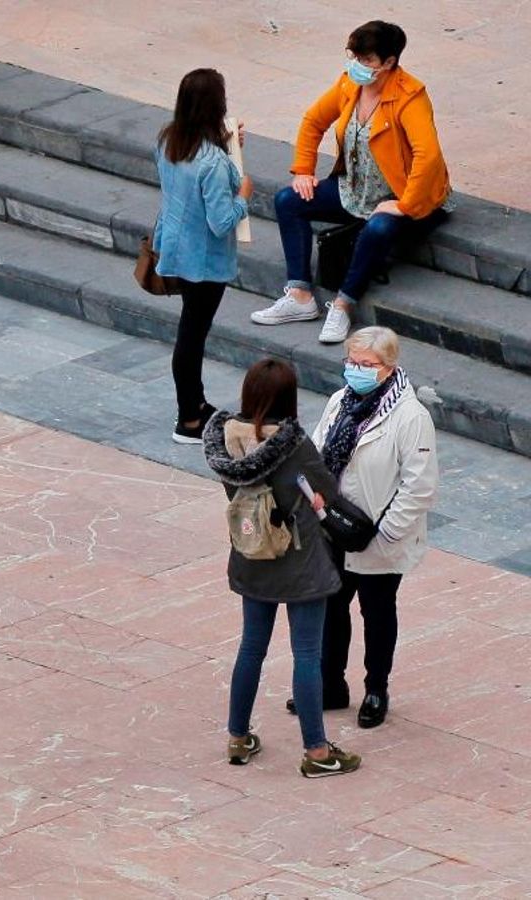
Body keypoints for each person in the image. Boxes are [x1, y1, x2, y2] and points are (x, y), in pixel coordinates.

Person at [204, 358, 361, 778]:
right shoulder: (294, 446)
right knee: (307, 653)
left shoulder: (226, 440)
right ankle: (316, 751)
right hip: (300, 562)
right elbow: (327, 492)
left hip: (252, 554)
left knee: (251, 648)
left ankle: (238, 738)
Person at [250, 20, 452, 344]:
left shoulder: (410, 96)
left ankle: (343, 304)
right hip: (355, 189)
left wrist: (405, 204)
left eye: (367, 60)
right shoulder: (349, 84)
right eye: (355, 57)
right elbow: (313, 120)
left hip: (397, 195)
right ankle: (300, 295)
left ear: (389, 63)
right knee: (288, 200)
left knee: (379, 228)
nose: (358, 65)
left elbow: (427, 156)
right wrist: (303, 170)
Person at [307, 327, 437, 728]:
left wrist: (385, 533)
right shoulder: (338, 402)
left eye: (366, 365)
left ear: (389, 367)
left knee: (377, 614)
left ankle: (376, 689)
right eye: (352, 362)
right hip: (334, 529)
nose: (356, 370)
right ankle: (331, 686)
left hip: (379, 540)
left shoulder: (411, 417)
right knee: (331, 607)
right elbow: (317, 452)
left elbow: (419, 486)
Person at [152, 68, 252, 444]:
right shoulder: (211, 162)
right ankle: (189, 418)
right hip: (205, 260)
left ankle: (195, 404)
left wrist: (227, 145)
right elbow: (221, 220)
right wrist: (243, 195)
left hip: (175, 247)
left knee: (190, 330)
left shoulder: (168, 140)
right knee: (192, 335)